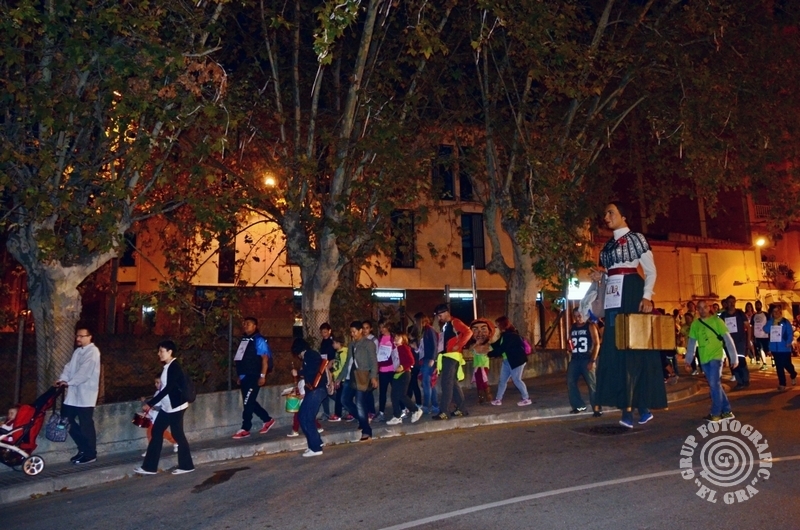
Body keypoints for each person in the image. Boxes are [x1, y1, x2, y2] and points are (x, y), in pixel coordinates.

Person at [593, 202, 667, 429]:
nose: (606, 217)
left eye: (611, 212)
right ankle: (640, 407)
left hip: (632, 292)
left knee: (633, 349)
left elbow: (651, 271)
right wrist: (600, 277)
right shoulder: (607, 246)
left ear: (623, 216)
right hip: (613, 295)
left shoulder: (636, 239)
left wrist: (647, 296)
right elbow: (610, 273)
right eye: (605, 213)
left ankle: (631, 408)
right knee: (615, 349)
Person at [134, 340, 194, 475]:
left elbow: (167, 389)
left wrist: (150, 403)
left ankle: (186, 466)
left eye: (161, 351)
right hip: (168, 408)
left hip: (176, 407)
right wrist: (154, 403)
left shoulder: (174, 367)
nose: (159, 354)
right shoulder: (168, 367)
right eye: (159, 351)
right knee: (156, 432)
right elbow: (165, 389)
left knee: (177, 435)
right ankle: (149, 467)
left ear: (170, 352)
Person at [685, 301, 738, 423]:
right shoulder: (695, 325)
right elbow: (691, 344)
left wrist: (734, 357)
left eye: (704, 307)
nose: (702, 310)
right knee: (715, 385)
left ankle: (715, 414)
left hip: (716, 357)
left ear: (709, 308)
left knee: (714, 385)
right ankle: (727, 411)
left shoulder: (717, 321)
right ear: (697, 310)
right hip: (704, 359)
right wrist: (688, 361)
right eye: (700, 308)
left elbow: (728, 340)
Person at [55, 326, 101, 465]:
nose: (78, 338)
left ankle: (90, 453)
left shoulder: (93, 352)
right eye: (77, 336)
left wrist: (69, 382)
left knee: (86, 424)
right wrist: (63, 379)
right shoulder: (78, 352)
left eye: (81, 336)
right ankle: (83, 448)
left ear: (90, 337)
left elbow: (84, 373)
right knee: (66, 419)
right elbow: (69, 367)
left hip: (86, 395)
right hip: (73, 395)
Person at [232, 317, 275, 439]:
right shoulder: (244, 339)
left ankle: (245, 428)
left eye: (248, 324)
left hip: (254, 375)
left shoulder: (259, 340)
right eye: (244, 323)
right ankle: (267, 419)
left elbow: (265, 359)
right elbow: (241, 358)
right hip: (245, 375)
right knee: (249, 401)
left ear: (255, 326)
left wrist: (262, 376)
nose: (245, 326)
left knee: (247, 402)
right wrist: (240, 376)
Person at [337, 321, 378, 441]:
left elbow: (373, 362)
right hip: (350, 376)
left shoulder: (368, 344)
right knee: (344, 400)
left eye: (354, 331)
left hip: (362, 376)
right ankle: (362, 420)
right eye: (351, 332)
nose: (352, 334)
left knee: (360, 403)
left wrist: (373, 377)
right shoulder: (351, 344)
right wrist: (339, 378)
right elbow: (347, 363)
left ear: (360, 331)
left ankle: (367, 431)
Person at [290, 338, 330, 457]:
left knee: (307, 418)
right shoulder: (311, 355)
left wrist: (298, 373)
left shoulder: (309, 355)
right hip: (314, 391)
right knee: (303, 416)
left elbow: (312, 371)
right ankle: (315, 443)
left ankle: (315, 448)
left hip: (316, 391)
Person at [433, 303, 472, 420]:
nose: (439, 318)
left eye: (440, 315)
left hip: (451, 356)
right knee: (453, 384)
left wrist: (459, 345)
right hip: (448, 356)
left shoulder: (455, 322)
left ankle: (444, 411)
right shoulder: (446, 325)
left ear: (446, 313)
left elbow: (469, 332)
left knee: (446, 384)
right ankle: (462, 409)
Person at [488, 316, 532, 407]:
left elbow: (502, 348)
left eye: (497, 324)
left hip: (516, 361)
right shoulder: (505, 334)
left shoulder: (510, 335)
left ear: (502, 325)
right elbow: (497, 344)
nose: (497, 326)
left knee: (517, 380)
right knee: (502, 380)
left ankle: (526, 398)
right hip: (507, 360)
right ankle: (498, 399)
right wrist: (486, 346)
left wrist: (489, 354)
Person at [567, 308, 599, 415]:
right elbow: (570, 341)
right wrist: (569, 347)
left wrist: (592, 360)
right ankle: (578, 406)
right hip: (575, 359)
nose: (578, 318)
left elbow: (597, 344)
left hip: (587, 358)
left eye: (580, 316)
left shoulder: (590, 326)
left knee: (592, 384)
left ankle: (597, 408)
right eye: (575, 316)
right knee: (571, 382)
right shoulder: (572, 327)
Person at [386, 333, 423, 425]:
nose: (396, 338)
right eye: (395, 337)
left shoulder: (404, 347)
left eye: (398, 337)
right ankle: (397, 416)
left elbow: (411, 360)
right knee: (394, 395)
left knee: (402, 395)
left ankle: (415, 410)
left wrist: (402, 367)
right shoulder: (395, 349)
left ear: (403, 339)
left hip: (404, 373)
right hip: (397, 374)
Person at [141, 377, 178, 457]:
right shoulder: (157, 392)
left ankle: (151, 450)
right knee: (157, 432)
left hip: (160, 417)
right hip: (154, 416)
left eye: (158, 382)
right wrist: (146, 402)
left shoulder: (165, 394)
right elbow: (154, 403)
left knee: (154, 432)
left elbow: (163, 406)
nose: (156, 384)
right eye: (155, 383)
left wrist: (152, 407)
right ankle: (175, 442)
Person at [766, 304, 797, 392]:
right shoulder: (771, 322)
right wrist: (771, 322)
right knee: (779, 366)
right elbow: (765, 329)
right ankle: (782, 384)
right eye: (774, 311)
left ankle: (793, 374)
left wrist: (788, 342)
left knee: (787, 364)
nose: (776, 313)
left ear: (780, 312)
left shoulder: (785, 322)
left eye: (777, 311)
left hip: (785, 348)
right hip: (775, 348)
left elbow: (790, 333)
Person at [722, 295, 750, 390]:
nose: (731, 304)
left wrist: (748, 340)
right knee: (733, 362)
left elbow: (748, 327)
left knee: (741, 361)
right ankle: (740, 381)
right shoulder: (723, 315)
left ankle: (745, 379)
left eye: (733, 301)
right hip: (729, 343)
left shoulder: (740, 313)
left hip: (740, 342)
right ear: (726, 303)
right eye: (729, 302)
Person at [416, 313, 440, 415]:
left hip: (428, 359)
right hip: (425, 359)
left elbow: (435, 345)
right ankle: (435, 405)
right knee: (430, 384)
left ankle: (426, 406)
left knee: (426, 384)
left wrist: (433, 359)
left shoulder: (429, 330)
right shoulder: (424, 331)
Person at [468, 318, 495, 405]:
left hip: (483, 366)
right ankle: (481, 397)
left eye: (483, 329)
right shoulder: (474, 346)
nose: (479, 333)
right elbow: (470, 350)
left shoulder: (489, 346)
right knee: (479, 382)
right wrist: (476, 343)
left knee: (483, 381)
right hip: (477, 367)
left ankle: (488, 396)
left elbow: (491, 352)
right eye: (475, 330)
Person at [375, 319, 396, 422]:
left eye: (383, 327)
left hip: (392, 369)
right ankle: (381, 412)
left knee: (395, 391)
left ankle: (399, 410)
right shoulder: (380, 338)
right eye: (380, 327)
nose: (381, 329)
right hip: (382, 370)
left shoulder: (393, 338)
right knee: (382, 392)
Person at [327, 335, 349, 422]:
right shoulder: (338, 353)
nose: (333, 345)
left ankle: (338, 414)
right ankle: (341, 413)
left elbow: (344, 367)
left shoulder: (343, 354)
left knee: (340, 398)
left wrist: (339, 378)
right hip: (338, 378)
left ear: (338, 343)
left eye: (334, 343)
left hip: (341, 379)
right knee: (340, 397)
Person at [318, 323, 337, 420]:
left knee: (330, 390)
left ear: (329, 331)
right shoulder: (323, 342)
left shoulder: (332, 341)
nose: (323, 334)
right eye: (322, 332)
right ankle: (326, 412)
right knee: (325, 389)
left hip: (331, 368)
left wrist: (331, 364)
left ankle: (344, 404)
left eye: (325, 332)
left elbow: (335, 355)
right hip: (324, 367)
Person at [751, 300, 770, 370]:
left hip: (765, 335)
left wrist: (769, 333)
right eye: (756, 305)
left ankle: (773, 361)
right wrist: (752, 335)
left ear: (761, 306)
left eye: (759, 305)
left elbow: (769, 324)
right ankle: (764, 364)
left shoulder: (766, 314)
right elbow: (752, 326)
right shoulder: (754, 316)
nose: (757, 306)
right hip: (757, 336)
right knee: (761, 349)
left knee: (768, 350)